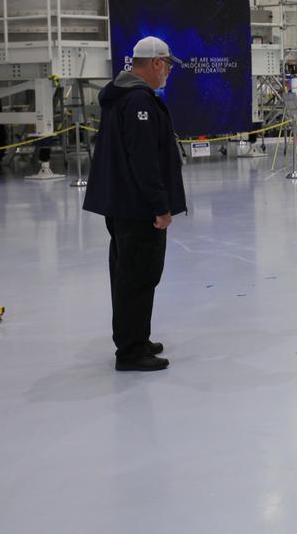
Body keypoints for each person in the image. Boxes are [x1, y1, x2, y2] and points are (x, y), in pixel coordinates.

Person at [82, 36, 187, 372]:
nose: (168, 72)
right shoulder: (138, 101)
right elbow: (144, 160)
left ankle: (135, 338)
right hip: (139, 207)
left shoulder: (122, 96)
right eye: (167, 65)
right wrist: (161, 206)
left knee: (130, 272)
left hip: (124, 204)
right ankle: (130, 351)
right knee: (139, 274)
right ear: (156, 62)